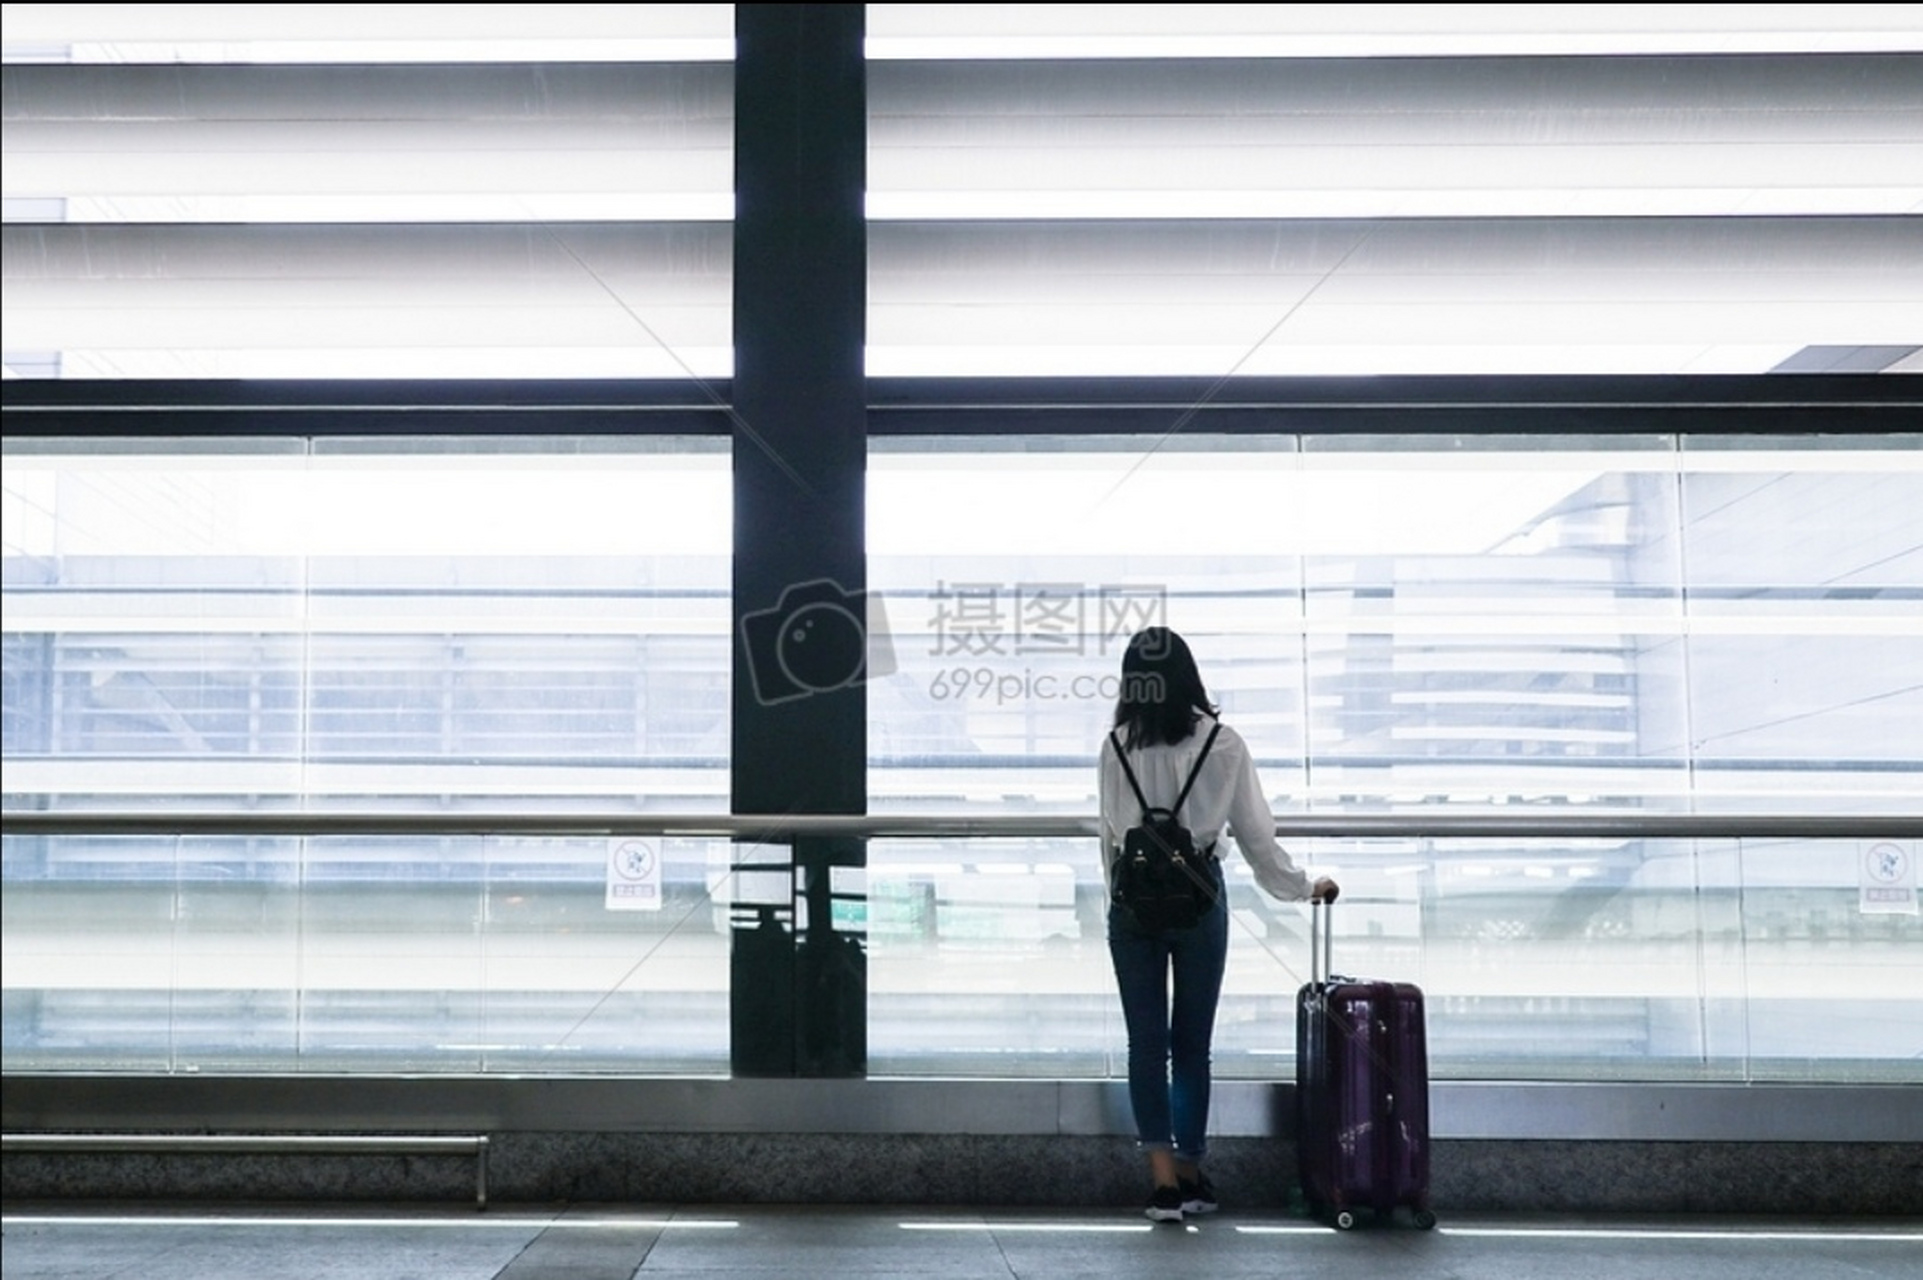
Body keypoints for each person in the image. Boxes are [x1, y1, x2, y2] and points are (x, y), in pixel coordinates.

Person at [1098, 626, 1338, 1224]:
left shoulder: (1116, 744)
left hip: (1133, 906)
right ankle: (1189, 1170)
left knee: (1145, 1045)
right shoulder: (1223, 744)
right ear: (1189, 676)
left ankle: (1161, 1185)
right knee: (1191, 1044)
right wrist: (1301, 887)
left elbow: (1111, 837)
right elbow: (1257, 836)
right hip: (1201, 900)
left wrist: (1121, 900)